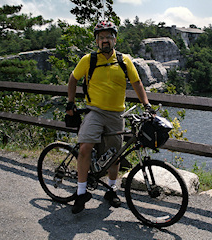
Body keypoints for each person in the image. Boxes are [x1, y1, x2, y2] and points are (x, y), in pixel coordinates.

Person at [66, 20, 153, 214]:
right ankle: (81, 194)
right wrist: (70, 103)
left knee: (115, 156)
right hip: (95, 111)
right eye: (101, 37)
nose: (105, 40)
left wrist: (146, 104)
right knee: (85, 147)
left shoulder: (124, 61)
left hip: (116, 113)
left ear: (115, 39)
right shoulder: (89, 60)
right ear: (97, 40)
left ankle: (111, 189)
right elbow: (73, 78)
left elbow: (137, 83)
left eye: (108, 37)